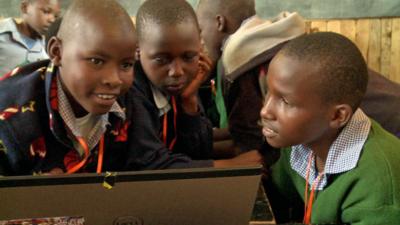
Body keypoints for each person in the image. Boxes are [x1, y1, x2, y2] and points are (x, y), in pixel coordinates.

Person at [260, 32, 400, 224]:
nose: (265, 111)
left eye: (284, 101)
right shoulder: (300, 142)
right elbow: (278, 196)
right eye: (268, 92)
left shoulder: (377, 186)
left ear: (337, 116)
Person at [0, 0, 138, 175]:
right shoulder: (10, 119)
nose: (115, 80)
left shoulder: (128, 101)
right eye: (96, 61)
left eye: (126, 65)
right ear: (57, 52)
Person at [130, 0, 263, 169]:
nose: (177, 71)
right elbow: (149, 163)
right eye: (161, 59)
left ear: (199, 47)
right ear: (137, 51)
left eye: (188, 57)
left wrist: (189, 102)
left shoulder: (180, 85)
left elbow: (195, 151)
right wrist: (229, 165)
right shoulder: (132, 92)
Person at [196, 0, 306, 157]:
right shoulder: (272, 40)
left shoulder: (239, 58)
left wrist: (186, 154)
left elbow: (248, 143)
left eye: (200, 31)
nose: (200, 41)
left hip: (285, 161)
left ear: (220, 22)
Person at [0, 0, 60, 77]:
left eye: (56, 16)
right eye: (46, 12)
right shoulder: (2, 33)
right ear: (25, 7)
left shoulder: (49, 50)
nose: (52, 20)